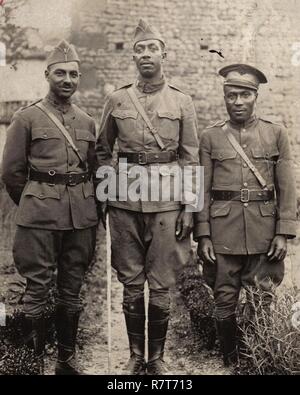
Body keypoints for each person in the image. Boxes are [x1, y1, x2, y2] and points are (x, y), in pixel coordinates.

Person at [96, 19, 199, 375]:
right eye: (139, 49)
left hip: (167, 203)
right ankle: (135, 355)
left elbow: (190, 157)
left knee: (162, 281)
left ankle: (156, 359)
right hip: (124, 202)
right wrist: (106, 193)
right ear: (133, 57)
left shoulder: (182, 102)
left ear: (164, 54)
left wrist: (189, 207)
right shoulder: (117, 99)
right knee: (129, 280)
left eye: (151, 48)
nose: (145, 55)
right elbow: (101, 150)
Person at [1, 40, 98, 375]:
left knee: (72, 288)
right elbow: (11, 172)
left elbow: (93, 169)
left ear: (79, 78)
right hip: (39, 218)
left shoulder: (87, 121)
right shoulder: (26, 118)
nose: (67, 79)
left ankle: (66, 362)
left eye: (73, 74)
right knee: (38, 290)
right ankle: (32, 363)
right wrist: (34, 201)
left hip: (80, 218)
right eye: (60, 73)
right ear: (48, 74)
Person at [194, 63, 297, 368]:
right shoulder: (210, 137)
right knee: (223, 300)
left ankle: (260, 359)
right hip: (223, 233)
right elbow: (202, 188)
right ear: (223, 98)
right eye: (231, 95)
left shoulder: (276, 133)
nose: (237, 102)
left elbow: (286, 186)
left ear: (255, 97)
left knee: (262, 299)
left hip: (264, 232)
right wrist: (203, 234)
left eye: (244, 95)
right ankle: (230, 361)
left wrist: (283, 231)